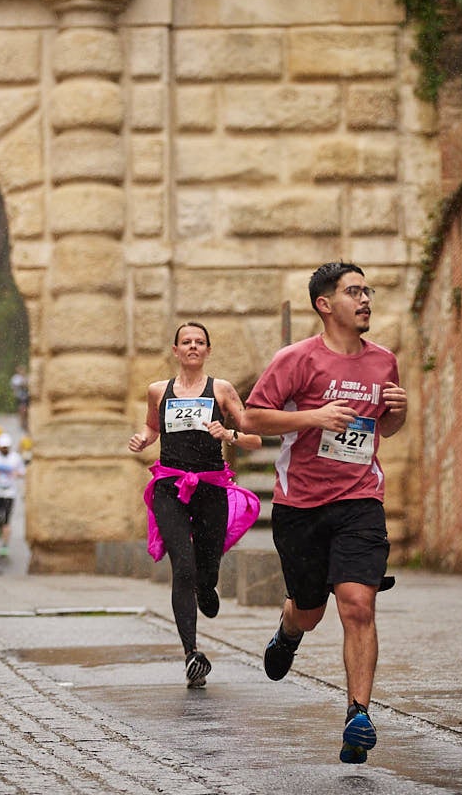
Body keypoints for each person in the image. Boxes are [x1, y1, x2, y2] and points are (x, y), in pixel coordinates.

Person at [239, 262, 407, 765]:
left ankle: (358, 715)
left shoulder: (384, 362)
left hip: (360, 500)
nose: (365, 299)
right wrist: (313, 416)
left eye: (366, 291)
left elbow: (385, 431)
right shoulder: (297, 359)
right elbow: (251, 415)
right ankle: (288, 631)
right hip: (301, 505)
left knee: (358, 603)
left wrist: (398, 410)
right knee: (311, 611)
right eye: (353, 292)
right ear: (324, 305)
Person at [128, 322, 261, 688]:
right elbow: (152, 428)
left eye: (199, 342)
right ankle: (192, 654)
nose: (192, 347)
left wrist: (229, 433)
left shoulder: (221, 390)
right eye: (186, 342)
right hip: (170, 486)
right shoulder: (158, 391)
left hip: (211, 487)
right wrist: (144, 438)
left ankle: (208, 585)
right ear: (175, 350)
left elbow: (254, 438)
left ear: (207, 351)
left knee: (207, 568)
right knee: (182, 568)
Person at [10, 365, 30, 430]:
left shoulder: (27, 376)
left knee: (26, 410)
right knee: (22, 409)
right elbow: (21, 385)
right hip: (20, 397)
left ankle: (26, 422)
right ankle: (22, 423)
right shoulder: (16, 378)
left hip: (27, 396)